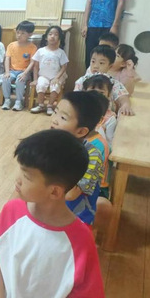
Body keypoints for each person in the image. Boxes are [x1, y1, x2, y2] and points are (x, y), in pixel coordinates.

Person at [0, 129, 105, 298]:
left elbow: (79, 297)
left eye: (27, 176)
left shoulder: (81, 239)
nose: (18, 179)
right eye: (21, 170)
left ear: (55, 191)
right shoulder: (12, 211)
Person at [50, 91, 106, 227]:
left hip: (77, 219)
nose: (54, 119)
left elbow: (71, 195)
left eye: (63, 118)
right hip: (49, 210)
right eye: (55, 112)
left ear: (81, 131)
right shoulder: (50, 144)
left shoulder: (92, 155)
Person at [74, 45, 134, 116]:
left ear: (110, 66)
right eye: (93, 61)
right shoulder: (82, 80)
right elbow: (75, 98)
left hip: (105, 118)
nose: (96, 66)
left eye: (101, 63)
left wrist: (125, 105)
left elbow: (123, 97)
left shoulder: (113, 82)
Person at [27, 26, 69, 115]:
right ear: (46, 37)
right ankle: (41, 105)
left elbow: (64, 67)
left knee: (55, 87)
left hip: (56, 76)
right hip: (43, 76)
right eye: (50, 34)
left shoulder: (61, 52)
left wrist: (57, 78)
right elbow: (36, 67)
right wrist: (35, 79)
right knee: (41, 85)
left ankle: (50, 105)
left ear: (59, 38)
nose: (52, 36)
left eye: (56, 34)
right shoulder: (40, 51)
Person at [2, 21, 37, 111]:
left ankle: (19, 101)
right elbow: (7, 59)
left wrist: (25, 73)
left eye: (23, 33)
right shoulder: (11, 45)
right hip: (12, 71)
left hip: (24, 71)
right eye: (17, 32)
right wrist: (7, 72)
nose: (19, 35)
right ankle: (7, 100)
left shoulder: (32, 47)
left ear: (30, 34)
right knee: (5, 79)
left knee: (20, 80)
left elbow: (32, 62)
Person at [83, 74, 117, 148]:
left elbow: (109, 143)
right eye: (91, 92)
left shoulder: (110, 119)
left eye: (101, 93)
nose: (95, 96)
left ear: (109, 95)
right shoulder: (80, 111)